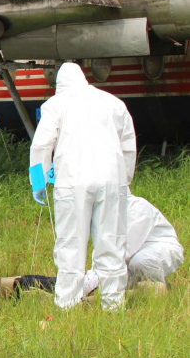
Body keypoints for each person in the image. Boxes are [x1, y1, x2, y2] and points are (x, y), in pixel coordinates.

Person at [30, 62, 136, 311]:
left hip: (72, 182)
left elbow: (41, 145)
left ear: (60, 84)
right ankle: (113, 304)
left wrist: (38, 182)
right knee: (111, 242)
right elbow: (128, 144)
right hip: (112, 180)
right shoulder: (113, 103)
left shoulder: (56, 104)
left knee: (71, 244)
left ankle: (68, 304)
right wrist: (125, 179)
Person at [82, 193, 183, 297]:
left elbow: (118, 251)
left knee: (141, 261)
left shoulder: (137, 208)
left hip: (158, 250)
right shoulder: (107, 215)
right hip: (132, 253)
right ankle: (142, 290)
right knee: (121, 275)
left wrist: (89, 284)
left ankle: (157, 288)